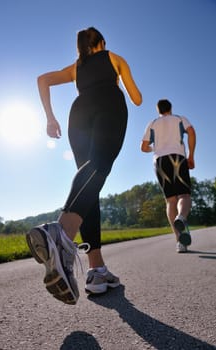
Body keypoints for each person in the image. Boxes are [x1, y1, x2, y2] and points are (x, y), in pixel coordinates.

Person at [26, 27, 142, 305]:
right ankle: (62, 234)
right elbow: (137, 98)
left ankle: (96, 270)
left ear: (80, 48)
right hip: (109, 104)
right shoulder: (114, 57)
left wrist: (50, 119)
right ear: (101, 43)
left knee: (90, 185)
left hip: (77, 115)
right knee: (99, 169)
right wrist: (120, 77)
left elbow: (42, 79)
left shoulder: (75, 68)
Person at [140, 99, 196, 253]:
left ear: (158, 110)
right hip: (178, 157)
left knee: (170, 200)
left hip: (160, 161)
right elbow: (191, 131)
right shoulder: (179, 118)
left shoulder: (152, 123)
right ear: (170, 108)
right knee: (184, 195)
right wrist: (191, 155)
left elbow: (143, 147)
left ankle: (180, 242)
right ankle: (181, 217)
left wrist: (156, 148)